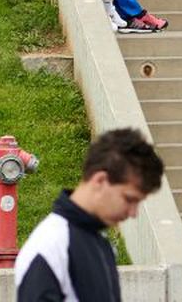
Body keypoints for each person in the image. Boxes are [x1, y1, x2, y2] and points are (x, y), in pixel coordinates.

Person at [15, 128, 164, 302]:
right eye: (129, 199)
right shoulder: (51, 244)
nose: (133, 213)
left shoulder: (99, 241)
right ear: (100, 181)